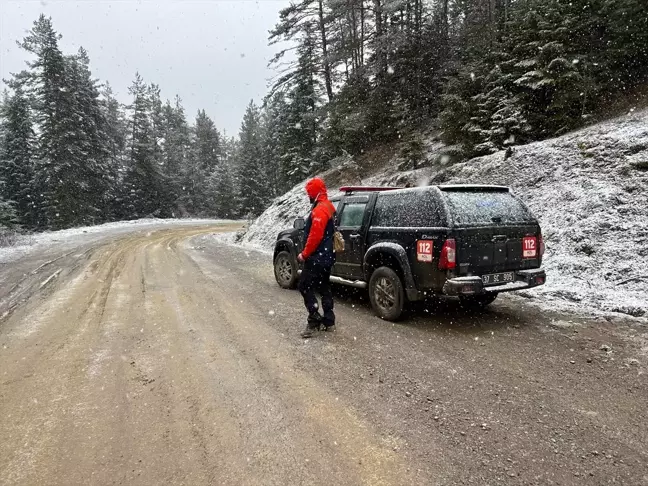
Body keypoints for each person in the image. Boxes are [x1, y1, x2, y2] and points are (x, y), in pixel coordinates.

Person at [297, 177, 336, 338]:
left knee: (304, 285)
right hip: (327, 256)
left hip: (317, 257)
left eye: (309, 193)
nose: (308, 196)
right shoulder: (329, 206)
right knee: (323, 286)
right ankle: (329, 320)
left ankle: (314, 318)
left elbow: (315, 236)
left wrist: (304, 254)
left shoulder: (320, 210)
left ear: (314, 193)